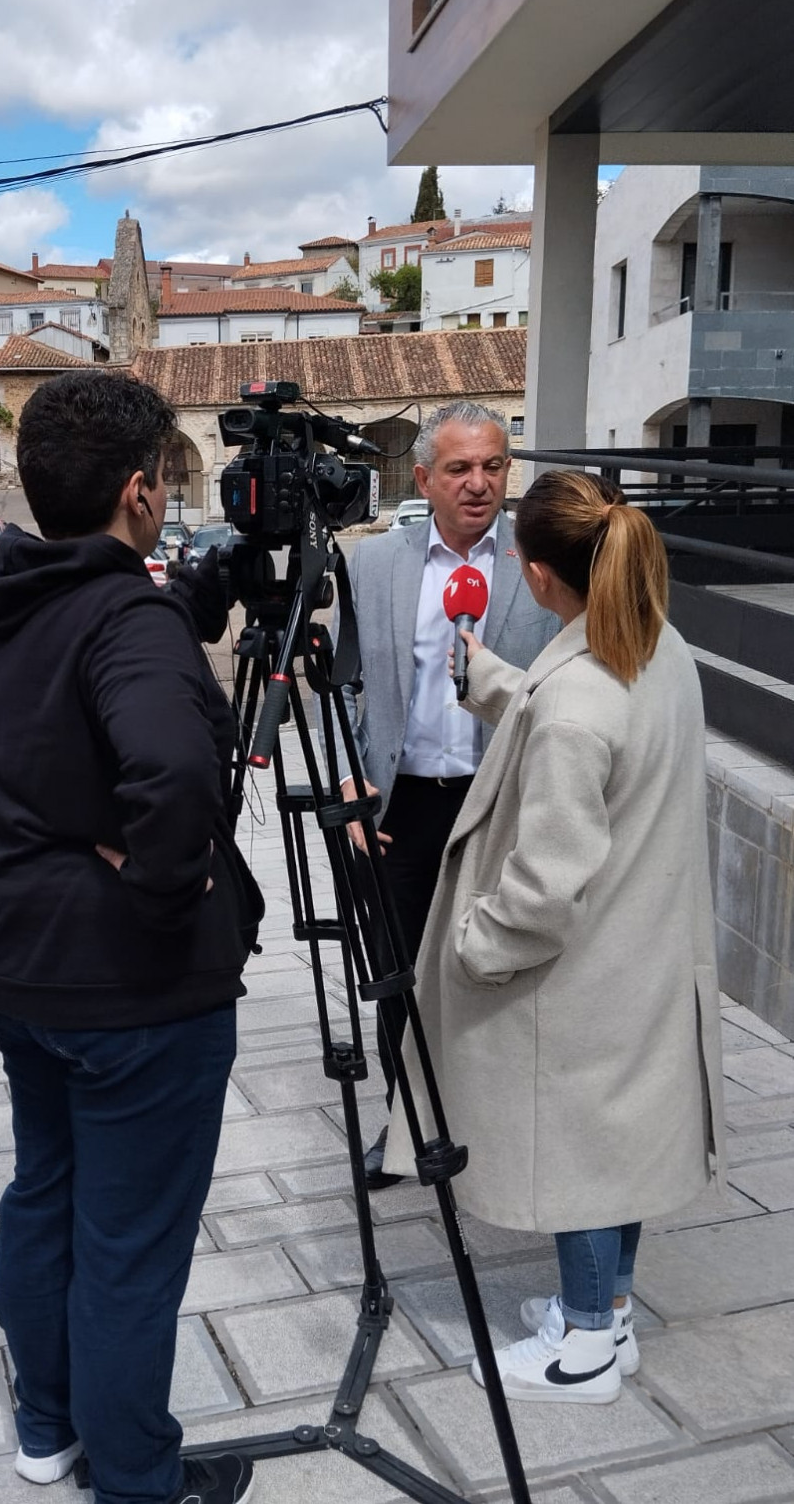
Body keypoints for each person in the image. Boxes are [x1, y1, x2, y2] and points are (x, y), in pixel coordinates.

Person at [0, 370, 262, 1504]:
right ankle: (139, 1479)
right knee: (128, 1247)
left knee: (45, 1193)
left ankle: (48, 1425)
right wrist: (161, 896)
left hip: (19, 969)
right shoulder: (123, 613)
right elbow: (174, 768)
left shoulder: (12, 594)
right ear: (140, 491)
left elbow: (85, 694)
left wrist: (177, 607)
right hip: (128, 993)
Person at [390, 468, 726, 1404]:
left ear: (537, 577)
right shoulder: (660, 650)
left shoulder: (582, 696)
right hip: (643, 955)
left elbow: (542, 886)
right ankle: (608, 1315)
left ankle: (582, 1346)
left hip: (583, 974)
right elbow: (578, 715)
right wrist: (493, 685)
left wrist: (471, 945)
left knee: (580, 1156)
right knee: (614, 1148)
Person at [328, 402, 559, 1187]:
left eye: (492, 466)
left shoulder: (539, 564)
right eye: (458, 469)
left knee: (494, 970)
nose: (478, 484)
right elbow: (336, 688)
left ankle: (495, 1119)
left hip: (497, 804)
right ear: (422, 477)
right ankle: (409, 1126)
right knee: (397, 972)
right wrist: (347, 776)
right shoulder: (371, 567)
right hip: (398, 808)